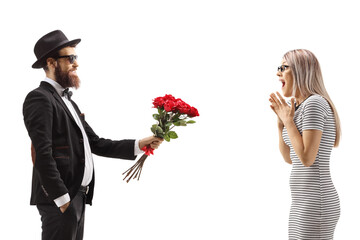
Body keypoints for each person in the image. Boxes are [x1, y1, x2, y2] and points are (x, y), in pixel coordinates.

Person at [23, 30, 163, 240]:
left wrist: (140, 144)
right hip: (61, 198)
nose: (76, 63)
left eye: (75, 57)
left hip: (77, 196)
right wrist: (62, 199)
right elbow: (42, 153)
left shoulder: (68, 102)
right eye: (70, 58)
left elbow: (95, 143)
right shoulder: (39, 98)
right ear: (51, 63)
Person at [269, 49, 341, 239]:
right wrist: (281, 124)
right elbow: (290, 158)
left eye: (283, 68)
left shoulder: (315, 103)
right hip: (301, 202)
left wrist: (289, 122)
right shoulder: (299, 107)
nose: (278, 73)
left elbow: (307, 158)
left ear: (301, 70)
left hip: (316, 201)